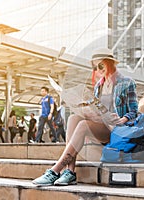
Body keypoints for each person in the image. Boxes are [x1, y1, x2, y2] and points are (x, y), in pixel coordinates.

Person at [32, 47, 138, 186]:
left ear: (110, 63)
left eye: (101, 65)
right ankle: (70, 172)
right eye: (95, 67)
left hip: (117, 129)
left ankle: (55, 171)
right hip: (101, 125)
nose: (98, 69)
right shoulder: (98, 86)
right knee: (73, 118)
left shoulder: (126, 83)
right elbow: (97, 107)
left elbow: (134, 112)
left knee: (83, 125)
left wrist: (122, 119)